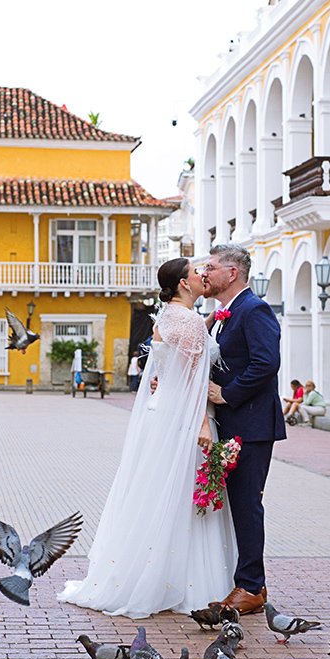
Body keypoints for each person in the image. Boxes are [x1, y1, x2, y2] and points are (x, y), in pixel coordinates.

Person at [58, 258, 235, 618]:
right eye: (196, 273)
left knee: (158, 492)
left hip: (162, 413)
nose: (203, 276)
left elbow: (168, 371)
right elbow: (194, 382)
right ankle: (184, 582)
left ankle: (146, 571)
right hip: (185, 417)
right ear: (184, 285)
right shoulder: (187, 323)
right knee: (184, 493)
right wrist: (203, 423)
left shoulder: (166, 318)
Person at [203, 243, 285, 615]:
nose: (205, 273)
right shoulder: (226, 312)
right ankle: (247, 580)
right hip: (234, 423)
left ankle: (252, 586)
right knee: (237, 504)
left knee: (247, 505)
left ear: (232, 273)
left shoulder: (255, 309)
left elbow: (267, 363)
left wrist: (227, 394)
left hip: (251, 424)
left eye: (212, 267)